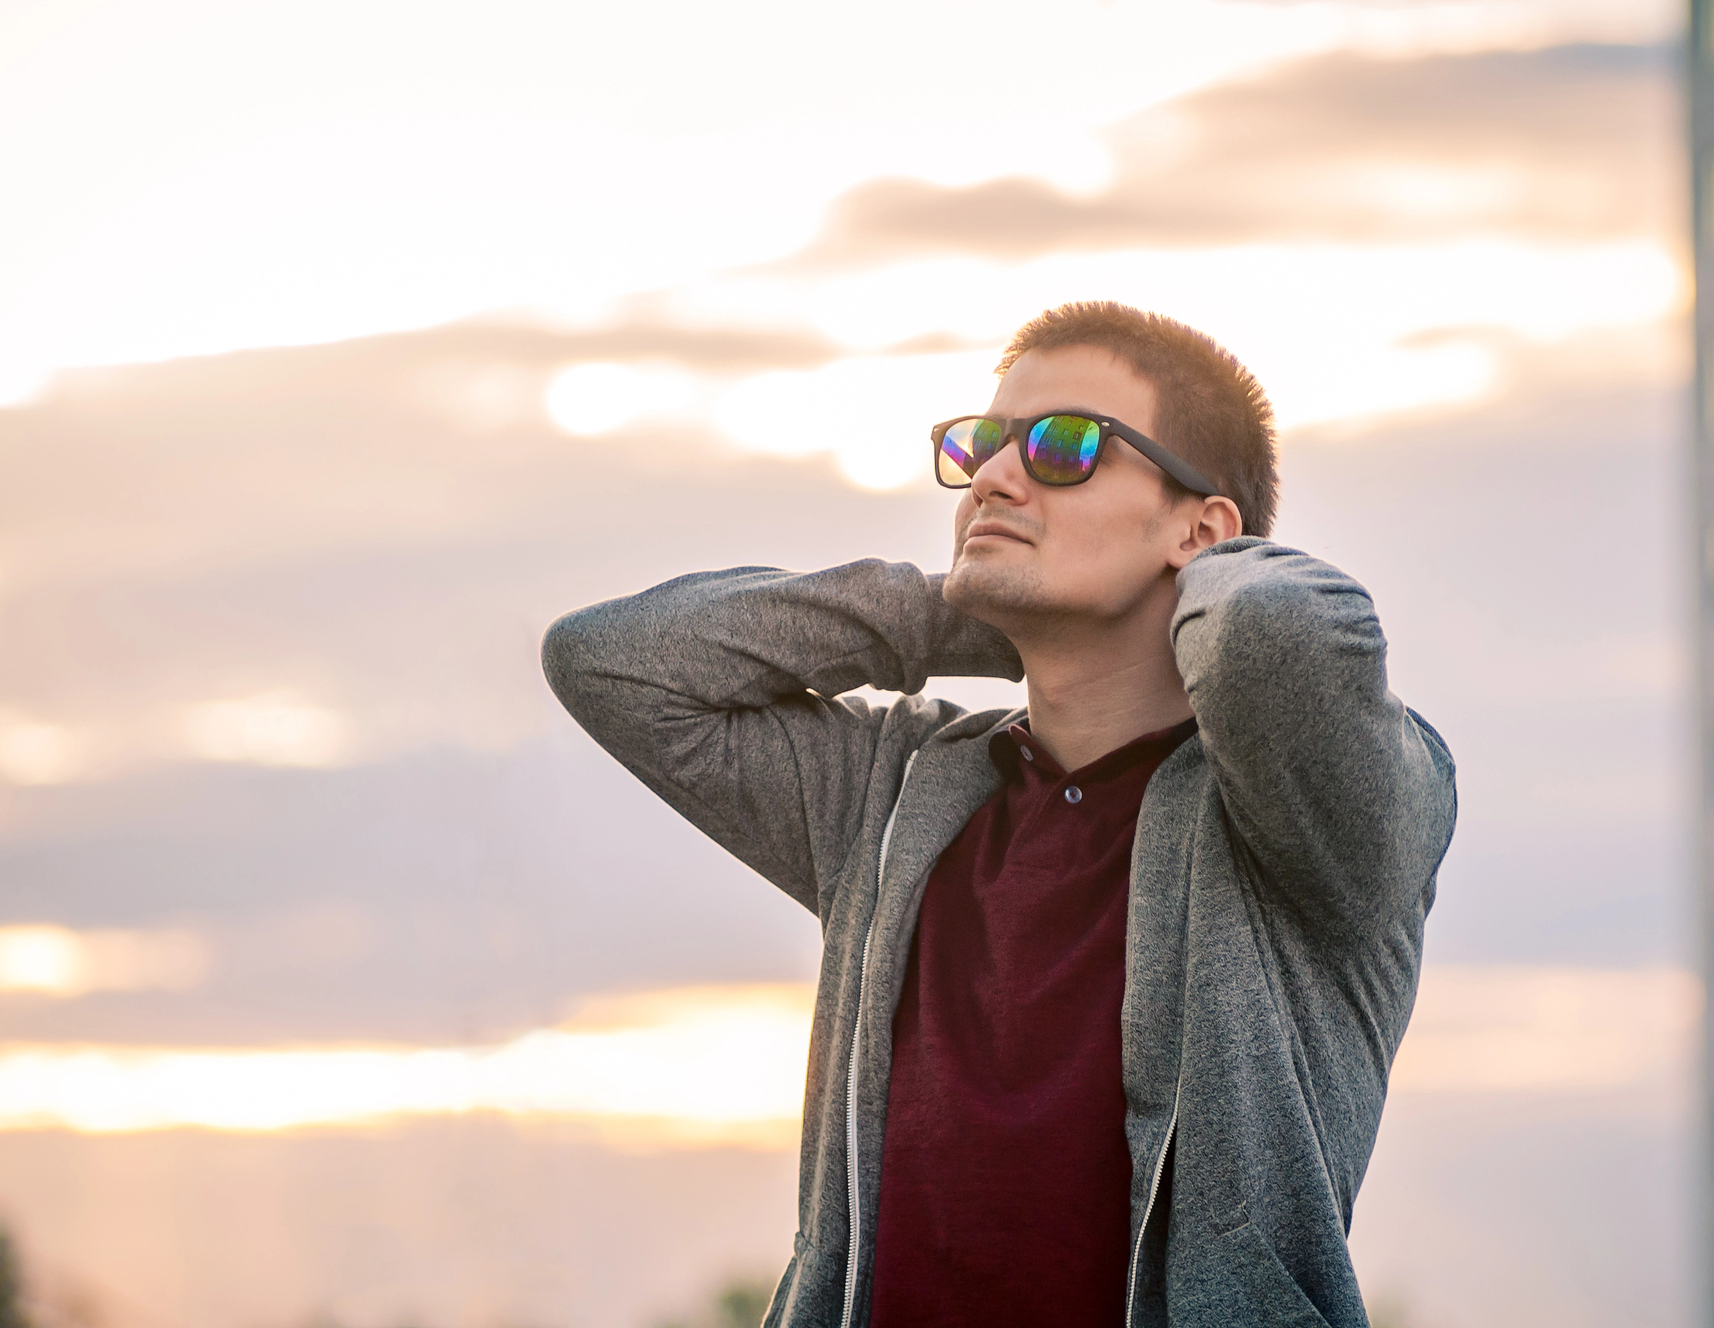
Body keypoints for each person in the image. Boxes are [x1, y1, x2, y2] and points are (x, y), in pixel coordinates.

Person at [541, 301, 1457, 1328]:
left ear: (1200, 531)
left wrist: (1163, 593)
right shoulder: (891, 795)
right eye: (981, 445)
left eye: (1062, 446)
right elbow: (608, 659)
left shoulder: (1320, 816)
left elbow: (1274, 634)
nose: (991, 476)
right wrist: (969, 608)